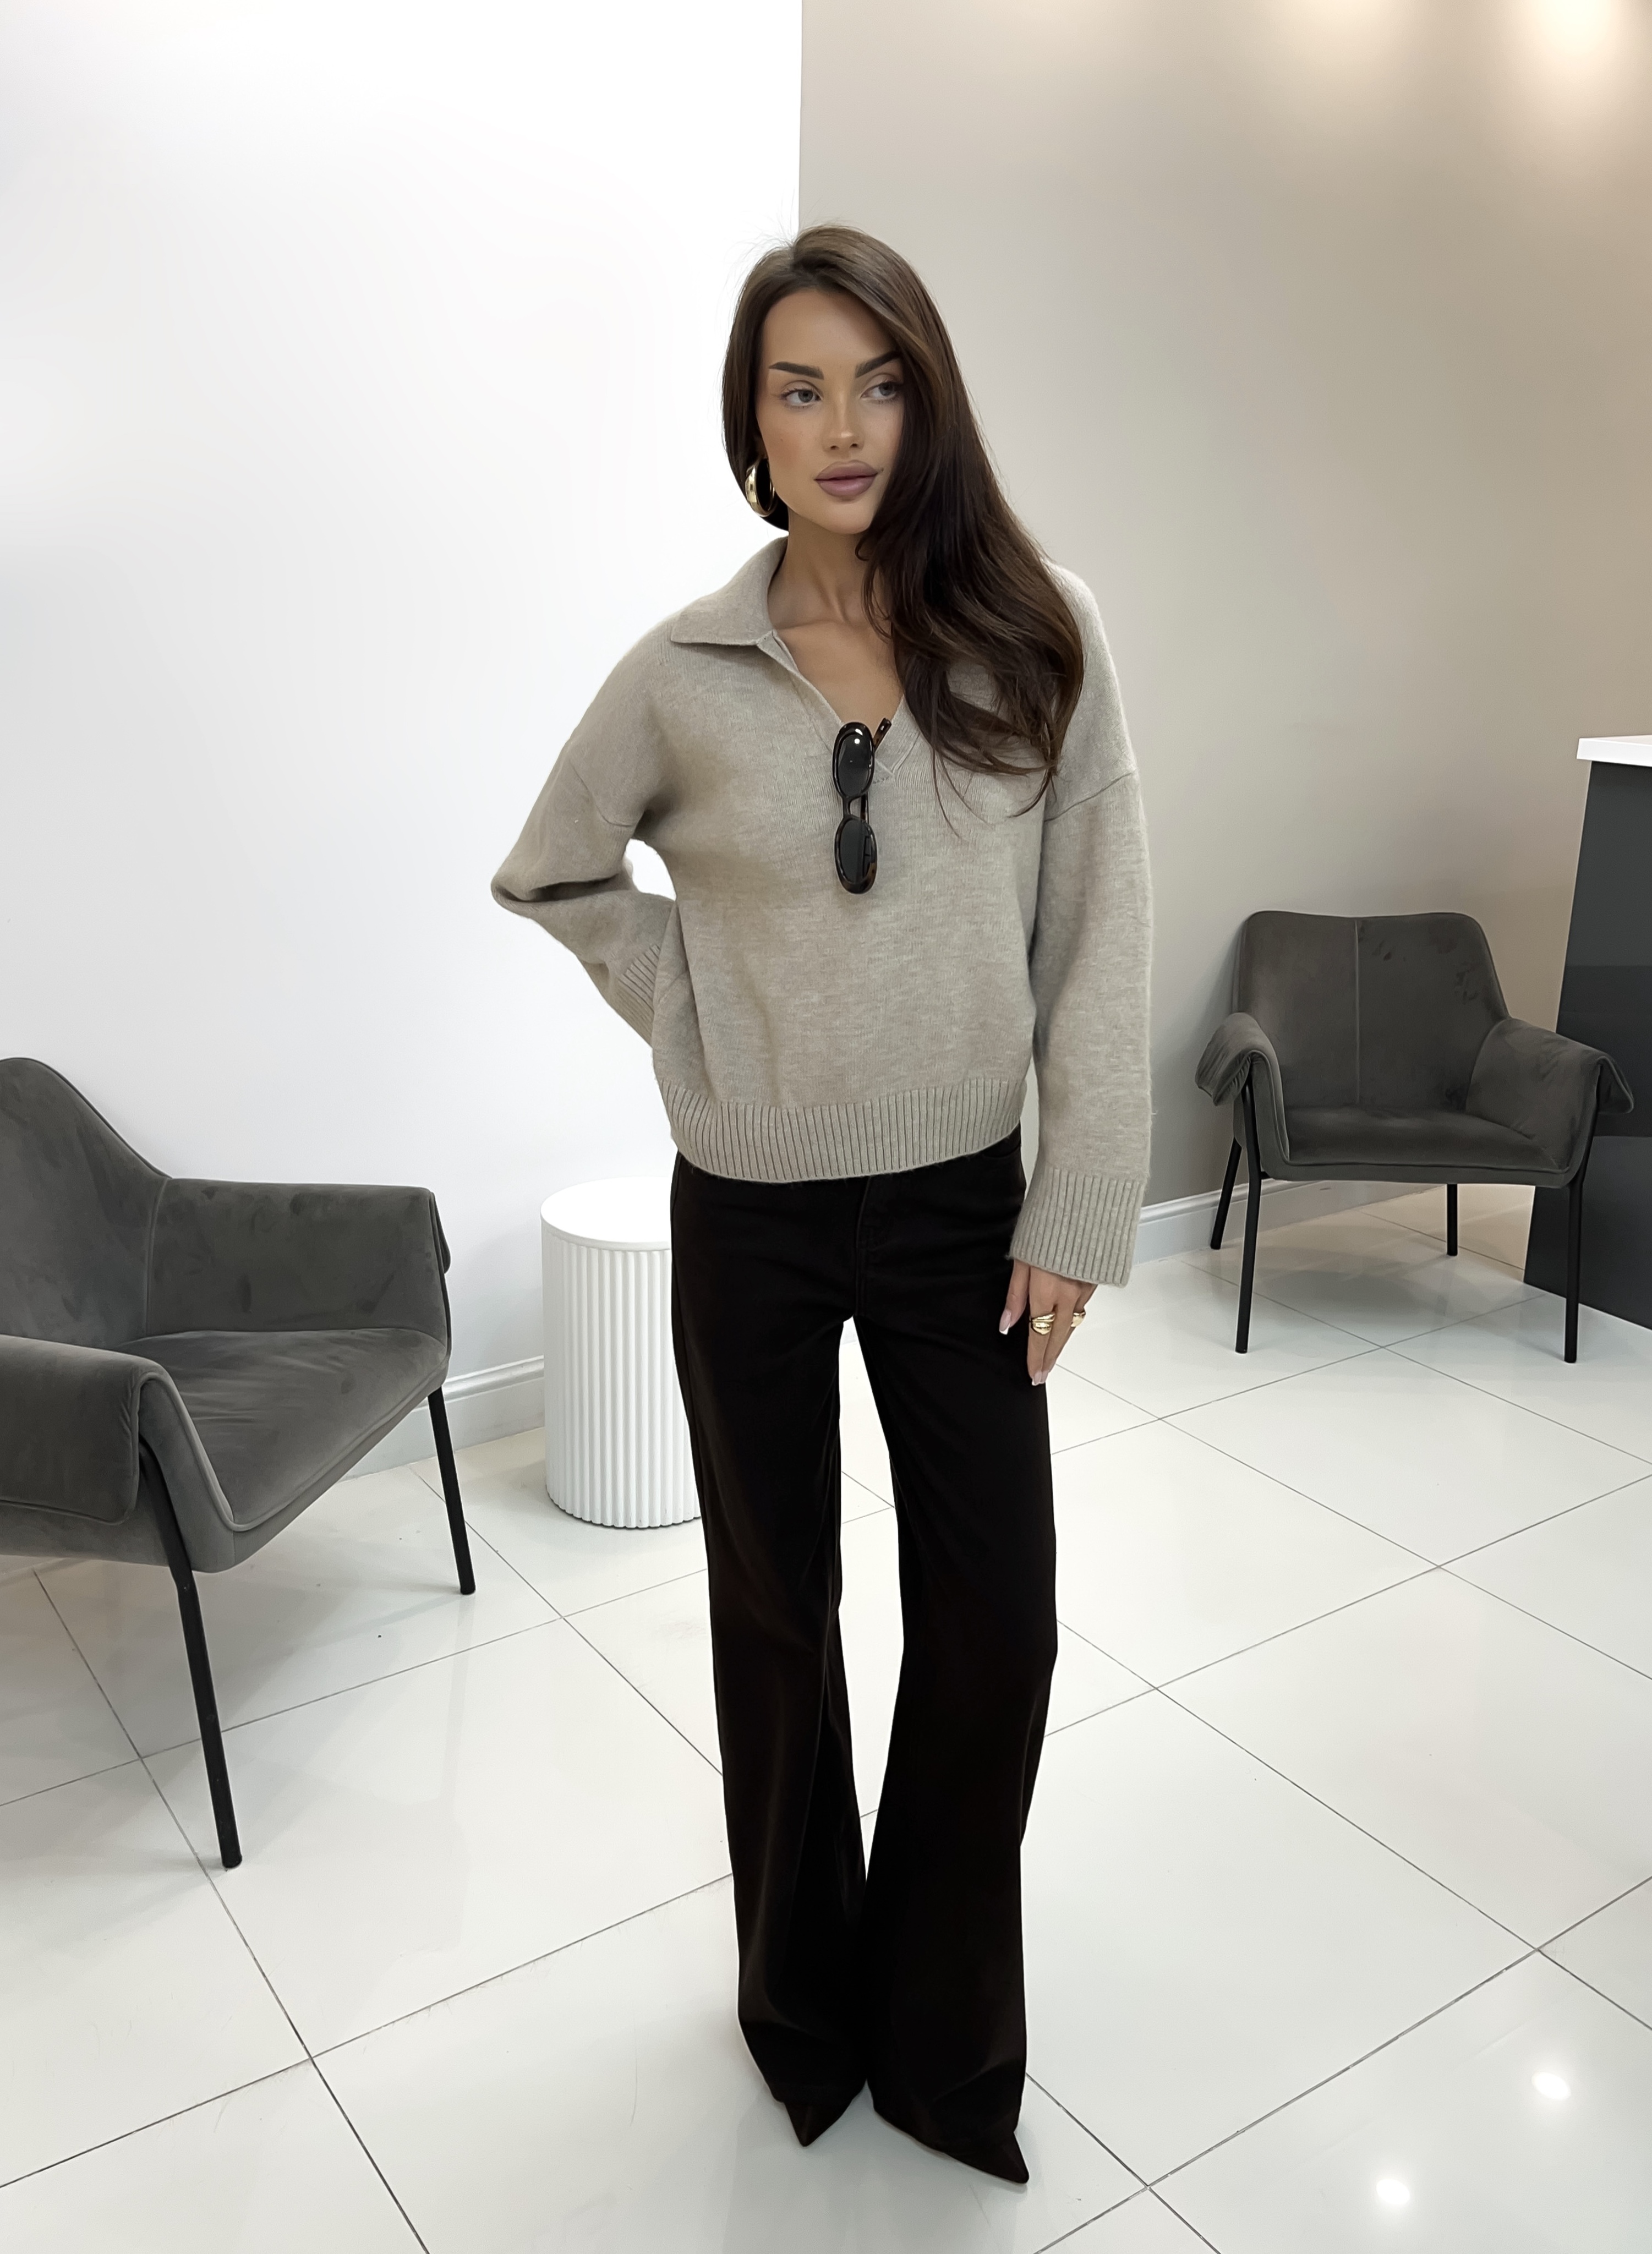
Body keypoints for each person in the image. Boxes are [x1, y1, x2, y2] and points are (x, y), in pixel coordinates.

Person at [493, 225, 1150, 2185]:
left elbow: (1098, 925)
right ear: (753, 423)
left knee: (997, 1623)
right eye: (798, 388)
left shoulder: (1037, 632)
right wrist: (693, 1010)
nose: (842, 425)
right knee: (776, 1617)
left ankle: (945, 2035)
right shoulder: (685, 672)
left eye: (877, 382)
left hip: (962, 1214)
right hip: (753, 1218)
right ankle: (802, 2008)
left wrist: (1076, 1201)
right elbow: (552, 869)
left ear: (926, 402)